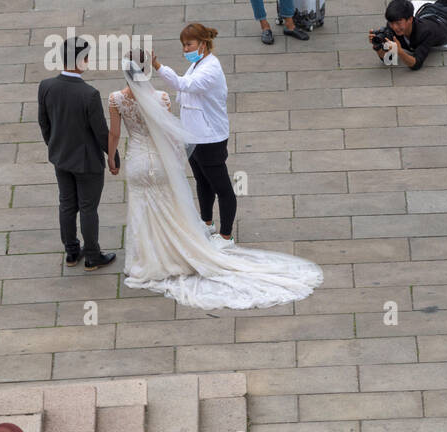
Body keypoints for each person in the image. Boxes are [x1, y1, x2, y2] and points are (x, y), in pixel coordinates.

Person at [107, 56, 324, 310]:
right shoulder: (162, 99)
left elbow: (114, 133)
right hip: (159, 163)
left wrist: (111, 158)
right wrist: (176, 162)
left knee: (142, 209)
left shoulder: (115, 99)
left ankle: (147, 259)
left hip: (136, 161)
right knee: (167, 207)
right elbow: (167, 133)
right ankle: (176, 253)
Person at [149, 23, 236, 241]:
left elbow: (183, 84)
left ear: (203, 44)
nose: (185, 49)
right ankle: (207, 223)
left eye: (189, 44)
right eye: (184, 45)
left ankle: (226, 237)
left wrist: (157, 66)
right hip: (193, 136)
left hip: (209, 138)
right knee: (202, 181)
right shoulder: (198, 64)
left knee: (222, 188)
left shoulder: (211, 69)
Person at [37, 36, 116, 271]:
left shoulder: (46, 86)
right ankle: (92, 256)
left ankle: (72, 252)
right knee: (88, 208)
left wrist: (54, 146)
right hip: (87, 162)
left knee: (67, 205)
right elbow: (101, 132)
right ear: (82, 60)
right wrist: (113, 157)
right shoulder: (89, 94)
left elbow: (44, 122)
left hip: (60, 158)